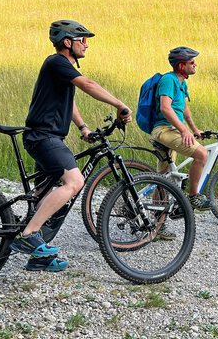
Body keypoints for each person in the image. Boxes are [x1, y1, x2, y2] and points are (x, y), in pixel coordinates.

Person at [10, 19, 132, 271]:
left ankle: (39, 258)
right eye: (83, 40)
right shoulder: (57, 62)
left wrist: (83, 127)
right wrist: (119, 104)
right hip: (45, 138)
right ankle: (28, 234)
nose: (87, 45)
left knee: (43, 195)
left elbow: (70, 101)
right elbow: (87, 85)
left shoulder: (62, 69)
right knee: (75, 182)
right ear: (67, 43)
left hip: (46, 137)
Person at [150, 47, 210, 239]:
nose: (195, 65)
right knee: (201, 154)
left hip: (173, 130)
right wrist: (184, 130)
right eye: (192, 62)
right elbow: (165, 108)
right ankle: (193, 197)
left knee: (164, 178)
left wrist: (193, 128)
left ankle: (156, 224)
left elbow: (183, 109)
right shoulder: (169, 80)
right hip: (164, 130)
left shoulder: (182, 83)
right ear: (181, 65)